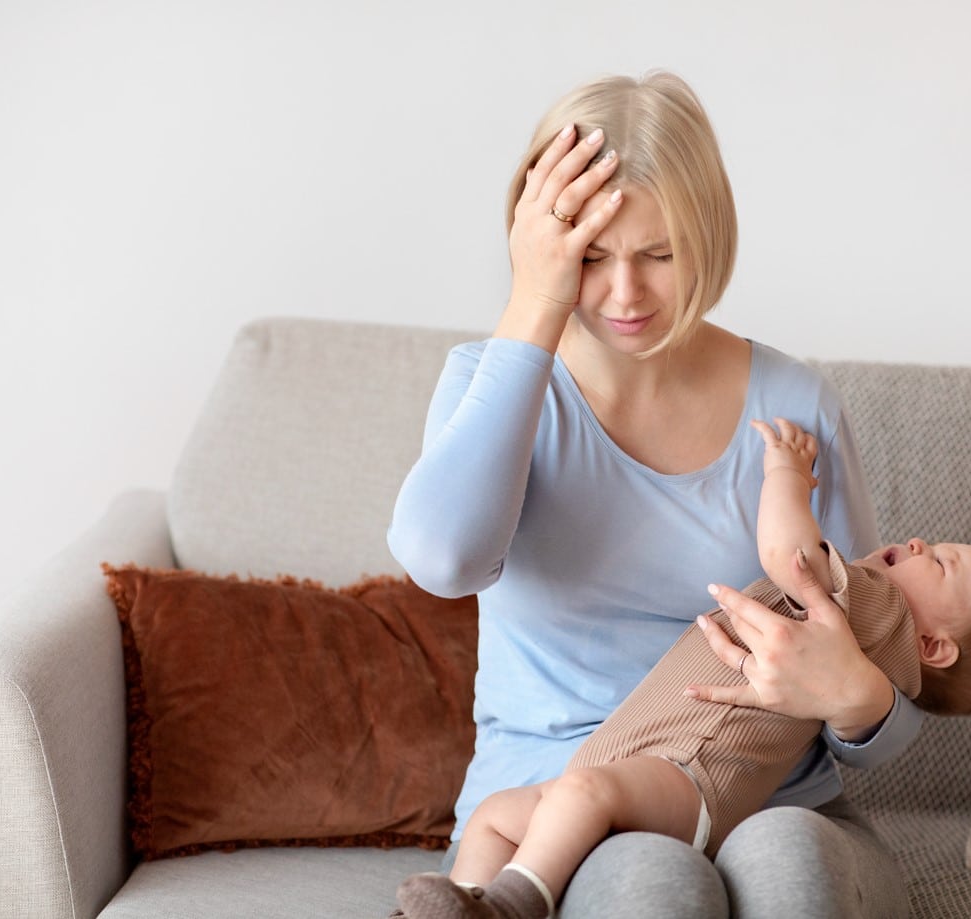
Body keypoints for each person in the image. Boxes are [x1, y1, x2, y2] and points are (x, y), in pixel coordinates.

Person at [388, 70, 919, 919]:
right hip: (553, 820)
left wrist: (857, 698)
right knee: (650, 884)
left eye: (659, 254)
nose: (626, 294)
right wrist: (534, 303)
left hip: (774, 799)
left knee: (788, 864)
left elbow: (871, 677)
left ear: (706, 238)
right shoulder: (490, 384)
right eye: (591, 258)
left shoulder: (794, 404)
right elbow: (444, 560)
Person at [392, 418, 971, 919]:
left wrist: (786, 474)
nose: (922, 542)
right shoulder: (872, 617)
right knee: (495, 816)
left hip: (691, 770)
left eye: (944, 562)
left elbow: (790, 557)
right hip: (642, 756)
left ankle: (513, 903)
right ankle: (468, 903)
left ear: (934, 647)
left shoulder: (878, 611)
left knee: (582, 798)